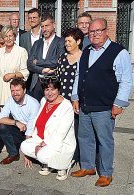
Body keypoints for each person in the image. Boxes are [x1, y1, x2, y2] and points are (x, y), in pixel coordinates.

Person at [70, 18, 132, 187]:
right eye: (91, 31)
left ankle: (105, 173)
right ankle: (88, 167)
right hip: (85, 105)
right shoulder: (86, 51)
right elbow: (78, 75)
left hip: (105, 106)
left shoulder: (119, 52)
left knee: (105, 141)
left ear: (106, 31)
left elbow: (126, 80)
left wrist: (119, 104)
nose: (95, 34)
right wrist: (75, 97)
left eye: (98, 30)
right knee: (85, 137)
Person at [20, 78, 76, 181]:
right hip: (41, 138)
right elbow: (37, 123)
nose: (49, 93)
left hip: (59, 141)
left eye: (53, 89)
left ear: (58, 90)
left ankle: (63, 165)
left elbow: (61, 133)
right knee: (24, 146)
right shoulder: (43, 100)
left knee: (42, 155)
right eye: (46, 89)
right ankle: (49, 162)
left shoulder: (66, 106)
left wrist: (42, 144)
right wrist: (36, 141)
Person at [56, 28, 84, 163]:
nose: (66, 43)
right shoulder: (62, 58)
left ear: (78, 41)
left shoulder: (85, 57)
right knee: (64, 128)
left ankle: (76, 156)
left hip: (78, 100)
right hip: (63, 100)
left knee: (77, 129)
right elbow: (58, 77)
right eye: (65, 41)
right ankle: (64, 154)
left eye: (69, 40)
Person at [0, 78, 39, 165]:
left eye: (18, 90)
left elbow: (30, 129)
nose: (15, 93)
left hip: (33, 133)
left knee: (38, 159)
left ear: (24, 90)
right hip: (19, 129)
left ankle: (26, 149)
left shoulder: (33, 104)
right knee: (2, 126)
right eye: (12, 90)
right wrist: (16, 122)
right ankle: (13, 154)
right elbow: (0, 119)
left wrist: (27, 154)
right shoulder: (10, 100)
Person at [27, 14, 65, 102]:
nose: (44, 29)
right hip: (37, 83)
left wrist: (38, 62)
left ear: (54, 25)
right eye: (42, 26)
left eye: (47, 26)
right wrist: (42, 70)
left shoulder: (60, 42)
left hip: (52, 83)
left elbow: (57, 61)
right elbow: (29, 64)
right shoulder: (37, 43)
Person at [0, 25, 29, 107]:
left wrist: (13, 75)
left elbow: (26, 72)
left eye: (10, 36)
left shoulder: (21, 51)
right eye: (5, 36)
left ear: (15, 37)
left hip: (14, 91)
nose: (8, 39)